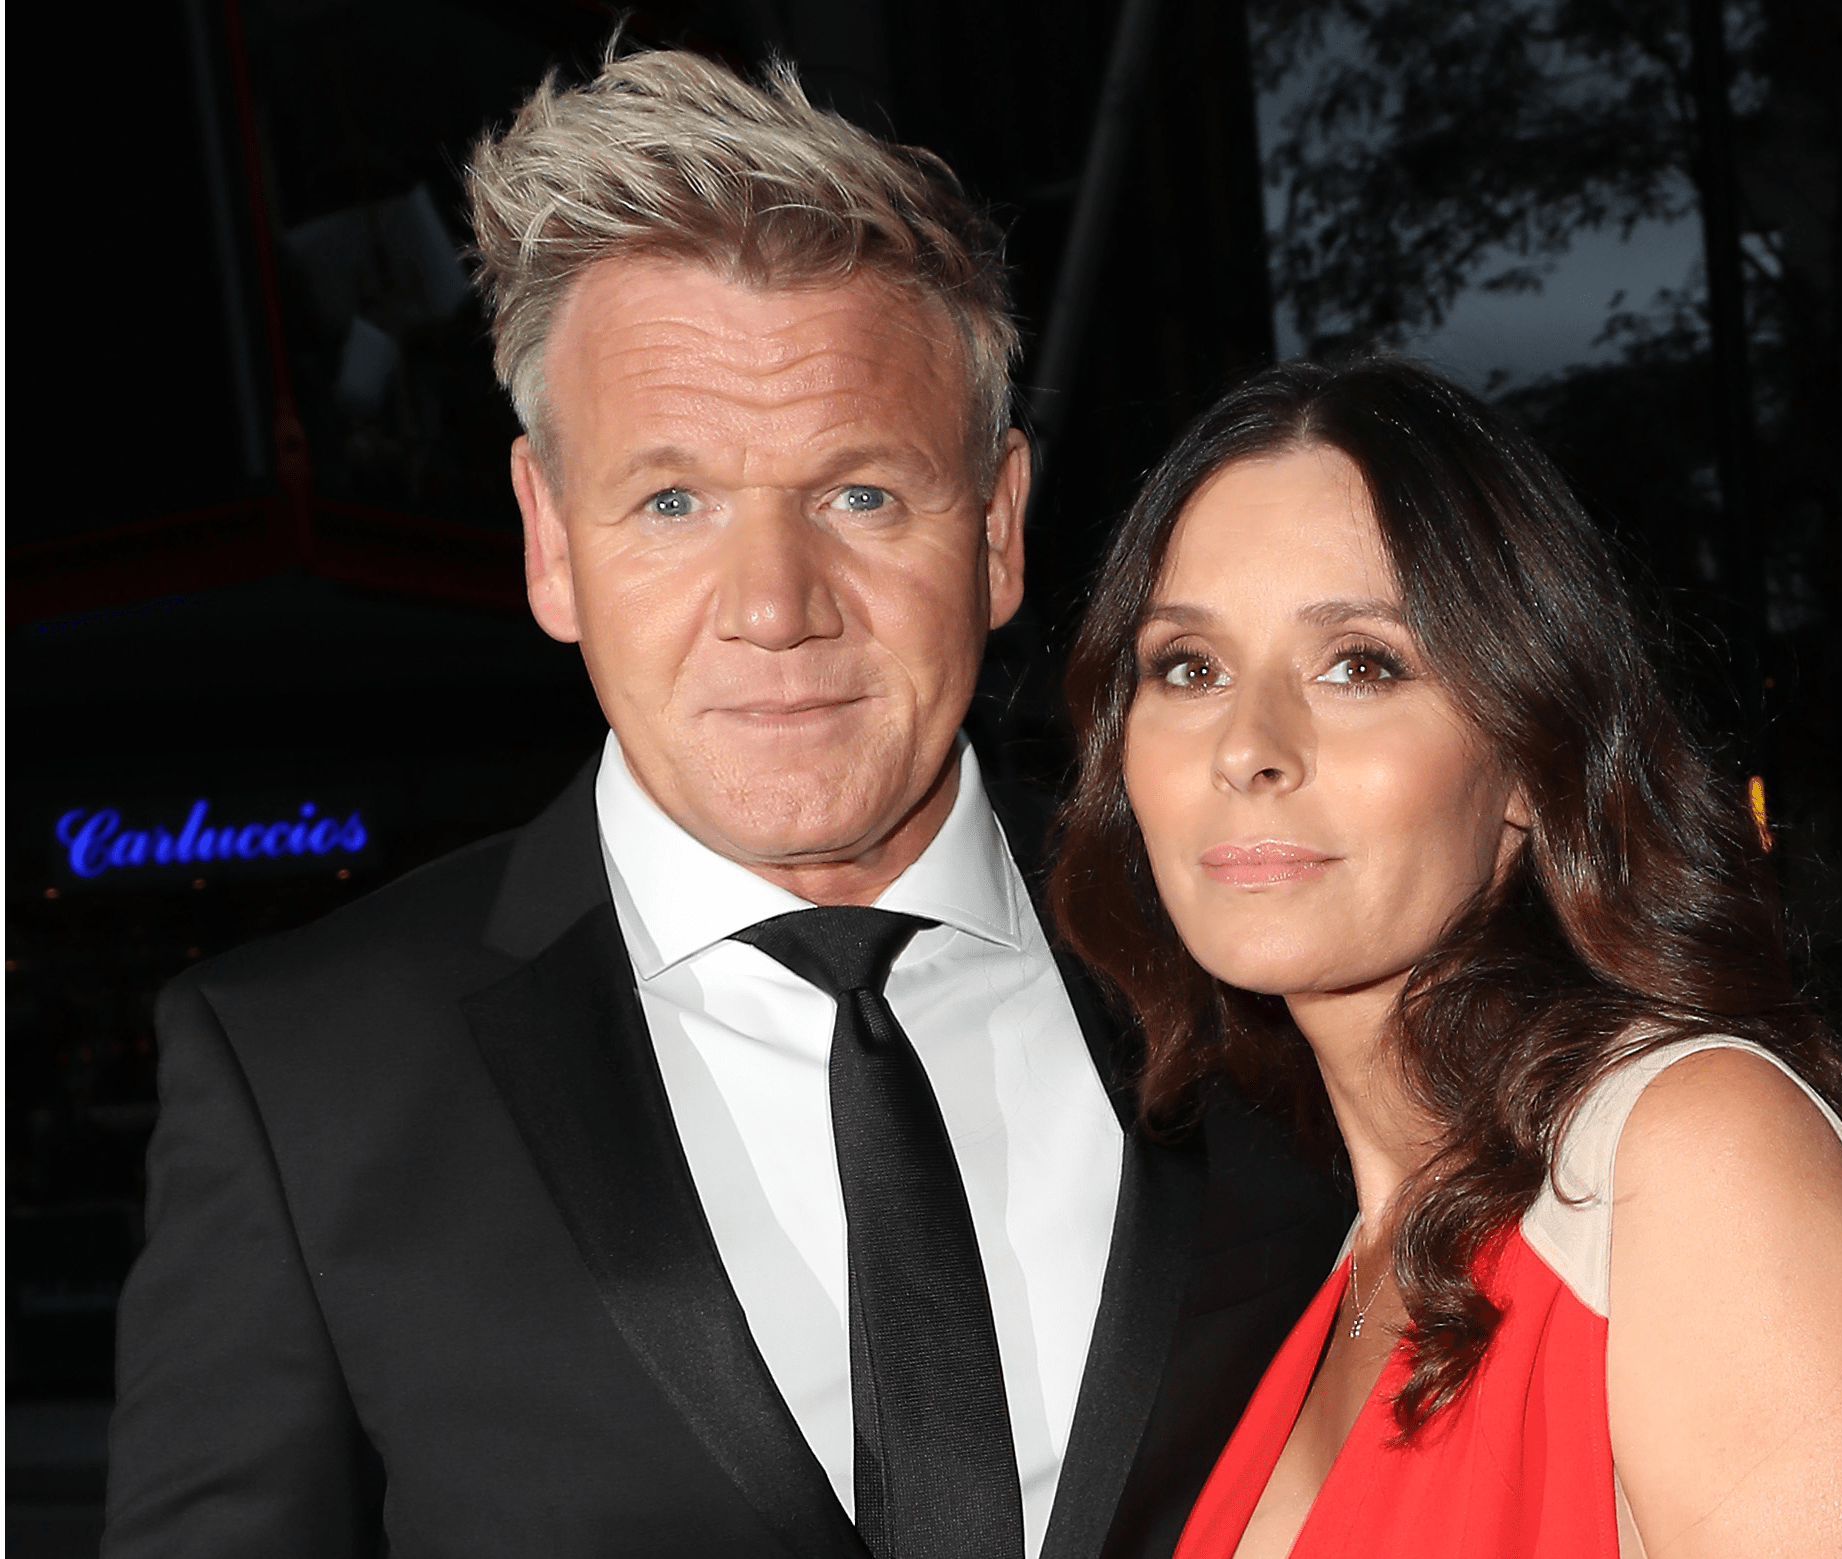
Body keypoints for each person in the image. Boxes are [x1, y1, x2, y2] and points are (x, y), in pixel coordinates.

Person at [102, 51, 1350, 1559]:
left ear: (996, 529)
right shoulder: (302, 1074)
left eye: (859, 494)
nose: (773, 606)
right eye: (673, 501)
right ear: (549, 540)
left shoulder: (1276, 968)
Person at [1047, 357, 1842, 1559]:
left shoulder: (1685, 1160)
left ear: (1527, 760)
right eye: (1188, 666)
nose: (1248, 745)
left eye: (1361, 662)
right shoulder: (1331, 1260)